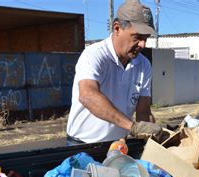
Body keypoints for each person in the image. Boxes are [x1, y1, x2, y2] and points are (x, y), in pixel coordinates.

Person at [66, 0, 162, 145]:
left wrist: (153, 133)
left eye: (145, 39)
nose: (143, 45)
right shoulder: (94, 55)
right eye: (137, 37)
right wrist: (133, 127)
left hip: (118, 145)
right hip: (82, 144)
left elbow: (143, 110)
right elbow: (87, 96)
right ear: (117, 28)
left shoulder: (144, 65)